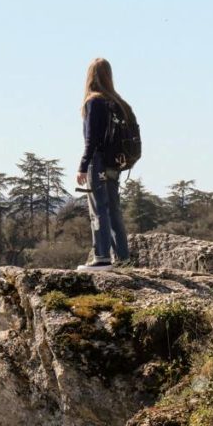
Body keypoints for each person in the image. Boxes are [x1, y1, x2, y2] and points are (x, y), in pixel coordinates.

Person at [76, 57, 131, 271]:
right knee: (114, 209)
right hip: (115, 164)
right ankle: (123, 258)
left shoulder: (94, 101)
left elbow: (92, 139)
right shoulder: (117, 103)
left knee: (98, 209)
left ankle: (102, 257)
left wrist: (83, 165)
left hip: (98, 162)